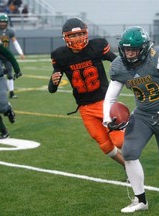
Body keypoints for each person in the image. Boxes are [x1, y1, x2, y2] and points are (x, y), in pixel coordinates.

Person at [103, 26, 159, 213]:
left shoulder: (157, 58)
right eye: (127, 50)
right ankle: (140, 201)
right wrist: (107, 118)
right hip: (141, 114)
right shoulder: (119, 65)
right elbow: (110, 98)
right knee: (129, 152)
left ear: (144, 48)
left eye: (134, 50)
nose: (130, 54)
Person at [48, 17, 125, 168]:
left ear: (86, 34)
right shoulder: (60, 55)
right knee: (105, 146)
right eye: (73, 35)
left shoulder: (96, 46)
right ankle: (127, 166)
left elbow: (117, 62)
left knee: (119, 141)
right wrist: (53, 81)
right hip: (85, 108)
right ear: (65, 37)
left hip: (104, 102)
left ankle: (128, 127)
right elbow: (52, 89)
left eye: (80, 34)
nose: (77, 38)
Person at [0, 14, 25, 99]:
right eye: (1, 22)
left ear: (7, 22)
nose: (2, 24)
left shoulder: (10, 31)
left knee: (10, 74)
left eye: (4, 22)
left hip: (7, 56)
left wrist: (20, 52)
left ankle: (11, 92)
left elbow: (15, 42)